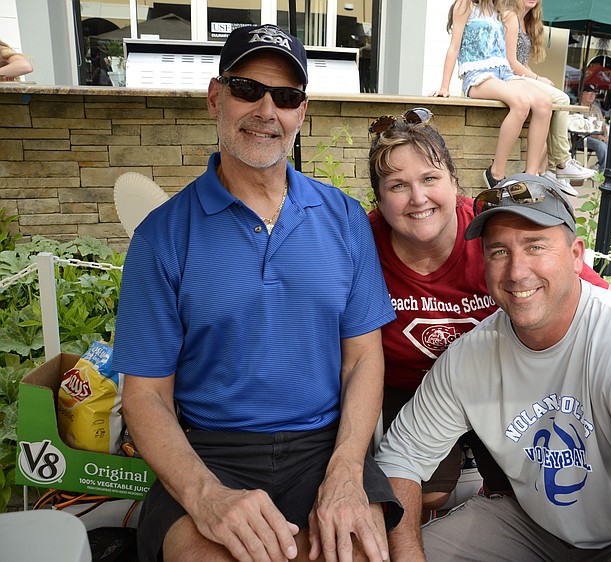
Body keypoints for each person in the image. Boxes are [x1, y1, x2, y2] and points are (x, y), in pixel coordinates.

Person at [113, 24, 402, 562]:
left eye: (286, 97)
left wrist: (345, 472)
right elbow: (145, 395)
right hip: (210, 451)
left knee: (356, 553)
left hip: (324, 446)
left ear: (301, 112)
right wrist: (205, 496)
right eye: (248, 89)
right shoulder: (163, 237)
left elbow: (363, 358)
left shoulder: (342, 218)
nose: (267, 110)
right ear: (215, 97)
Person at [367, 115, 611, 529]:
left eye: (429, 179)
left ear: (453, 182)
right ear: (379, 200)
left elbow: (592, 292)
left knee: (522, 491)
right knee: (424, 489)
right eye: (398, 186)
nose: (418, 198)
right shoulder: (362, 247)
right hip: (417, 390)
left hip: (498, 387)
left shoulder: (493, 237)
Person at [432, 0, 552, 189]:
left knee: (544, 103)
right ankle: (495, 173)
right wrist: (444, 86)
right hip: (477, 75)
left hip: (503, 73)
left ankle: (531, 177)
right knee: (520, 103)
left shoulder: (502, 11)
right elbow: (454, 47)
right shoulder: (466, 6)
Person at [502, 0, 595, 195]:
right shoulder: (510, 16)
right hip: (507, 77)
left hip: (519, 76)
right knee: (561, 100)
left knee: (554, 103)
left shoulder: (527, 21)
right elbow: (509, 61)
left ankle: (552, 170)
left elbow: (522, 63)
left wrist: (539, 79)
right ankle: (560, 164)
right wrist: (537, 78)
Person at [579, 83, 609, 171]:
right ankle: (604, 171)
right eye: (589, 93)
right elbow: (580, 129)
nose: (592, 96)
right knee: (601, 145)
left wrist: (605, 135)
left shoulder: (596, 109)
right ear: (583, 94)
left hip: (598, 137)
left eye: (594, 94)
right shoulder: (577, 108)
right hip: (582, 138)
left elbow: (603, 125)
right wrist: (597, 137)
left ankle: (608, 168)